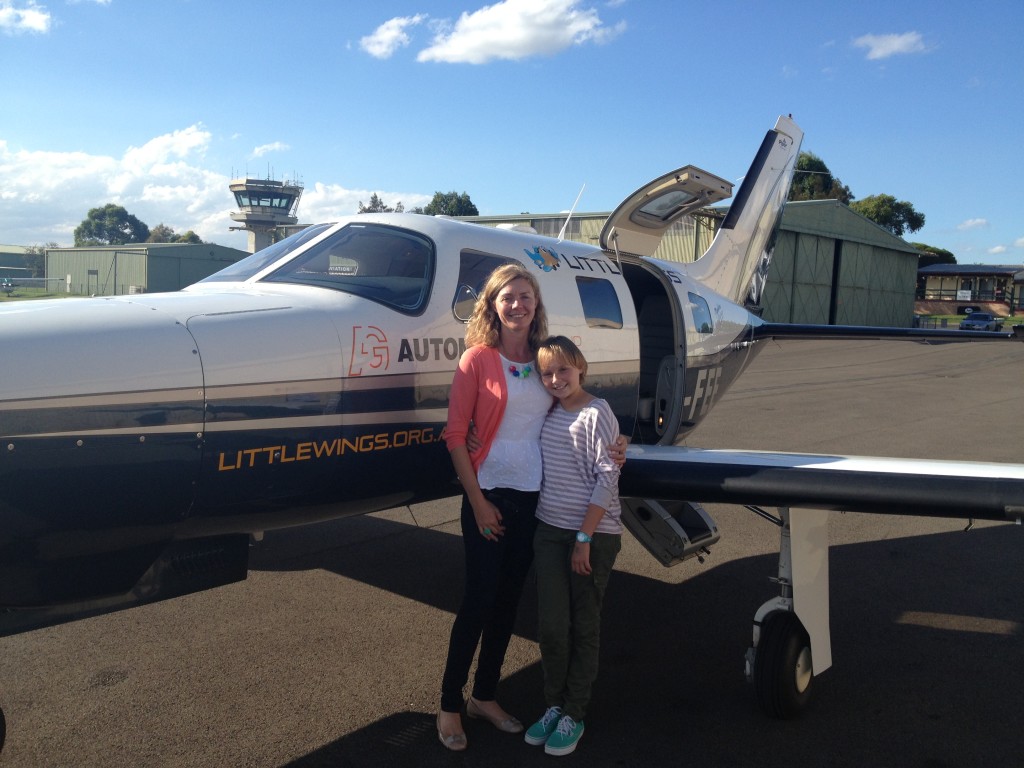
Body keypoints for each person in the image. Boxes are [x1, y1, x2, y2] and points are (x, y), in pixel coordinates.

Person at [437, 265, 625, 752]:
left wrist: (618, 444)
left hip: (533, 503)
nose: (517, 304)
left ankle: (484, 695)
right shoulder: (477, 359)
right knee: (477, 601)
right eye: (507, 297)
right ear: (493, 305)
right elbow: (456, 435)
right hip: (489, 497)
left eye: (525, 296)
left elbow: (576, 411)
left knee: (506, 605)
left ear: (536, 303)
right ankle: (449, 703)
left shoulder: (546, 364)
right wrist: (477, 502)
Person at [524, 336, 623, 757]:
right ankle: (553, 703)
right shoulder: (546, 413)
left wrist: (584, 537)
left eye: (563, 369)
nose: (555, 378)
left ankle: (574, 712)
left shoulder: (597, 412)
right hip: (549, 531)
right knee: (551, 626)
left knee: (585, 624)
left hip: (593, 535)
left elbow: (607, 477)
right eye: (546, 373)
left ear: (580, 366)